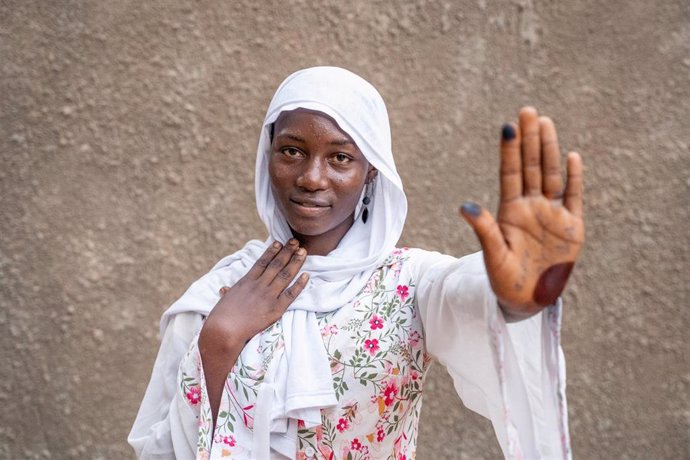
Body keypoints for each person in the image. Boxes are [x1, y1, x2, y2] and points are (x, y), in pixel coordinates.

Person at [128, 66, 584, 460]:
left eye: (340, 157)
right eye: (292, 150)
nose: (311, 176)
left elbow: (466, 297)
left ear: (371, 171)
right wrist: (220, 342)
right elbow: (158, 449)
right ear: (266, 155)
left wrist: (513, 298)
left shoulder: (407, 284)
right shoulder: (217, 294)